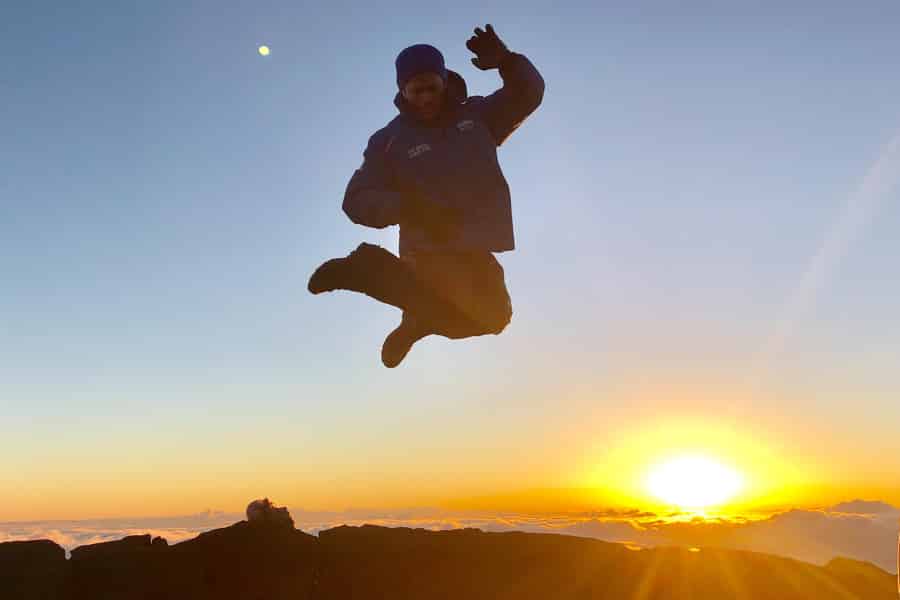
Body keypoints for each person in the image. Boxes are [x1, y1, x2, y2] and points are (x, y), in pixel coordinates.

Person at [308, 24, 545, 368]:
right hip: (428, 249)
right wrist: (408, 207)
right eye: (416, 91)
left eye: (432, 88)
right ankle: (366, 270)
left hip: (472, 243)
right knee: (472, 310)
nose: (426, 99)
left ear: (444, 82)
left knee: (495, 318)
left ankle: (418, 320)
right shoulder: (389, 141)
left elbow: (529, 93)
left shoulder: (477, 117)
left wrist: (506, 60)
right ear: (403, 92)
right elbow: (356, 199)